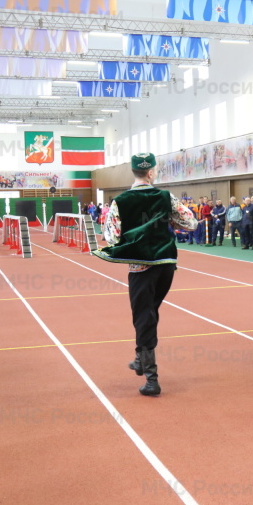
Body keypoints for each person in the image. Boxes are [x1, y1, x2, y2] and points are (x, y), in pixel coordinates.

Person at [92, 153, 197, 396]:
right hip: (166, 263)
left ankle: (152, 378)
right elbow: (190, 223)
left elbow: (111, 236)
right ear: (150, 172)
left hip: (141, 266)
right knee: (150, 312)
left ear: (135, 172)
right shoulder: (164, 196)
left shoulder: (120, 201)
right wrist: (170, 222)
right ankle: (140, 358)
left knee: (143, 315)